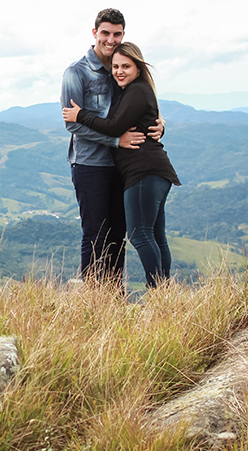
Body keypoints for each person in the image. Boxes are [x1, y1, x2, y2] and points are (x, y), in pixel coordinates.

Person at [63, 42, 180, 288]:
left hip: (143, 171)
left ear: (138, 67)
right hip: (154, 171)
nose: (119, 71)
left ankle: (158, 293)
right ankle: (164, 294)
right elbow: (141, 118)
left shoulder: (136, 90)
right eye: (116, 66)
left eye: (126, 66)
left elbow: (116, 126)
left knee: (140, 235)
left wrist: (81, 114)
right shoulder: (133, 89)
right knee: (156, 236)